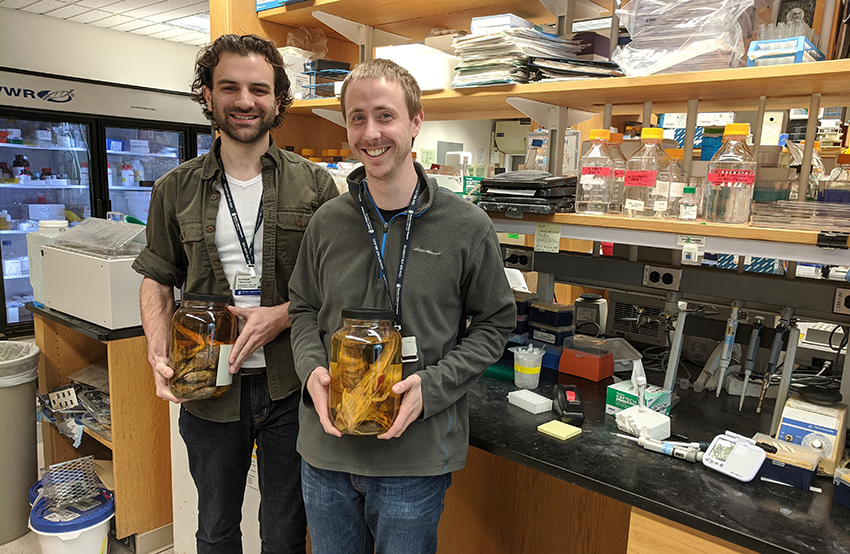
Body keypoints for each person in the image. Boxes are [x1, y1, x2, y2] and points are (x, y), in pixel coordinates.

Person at [288, 58, 516, 554]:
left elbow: (496, 323)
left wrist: (432, 387)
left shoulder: (467, 226)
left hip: (415, 459)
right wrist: (310, 369)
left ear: (416, 122)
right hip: (327, 454)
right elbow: (302, 307)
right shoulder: (327, 221)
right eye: (357, 117)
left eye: (385, 116)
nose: (371, 132)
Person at [132, 34, 338, 554]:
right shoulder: (173, 189)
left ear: (277, 99)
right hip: (206, 384)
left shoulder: (315, 186)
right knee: (216, 528)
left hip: (291, 385)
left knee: (286, 531)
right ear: (207, 94)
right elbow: (157, 277)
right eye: (230, 87)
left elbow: (336, 286)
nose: (245, 101)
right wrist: (157, 353)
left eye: (259, 89)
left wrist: (284, 315)